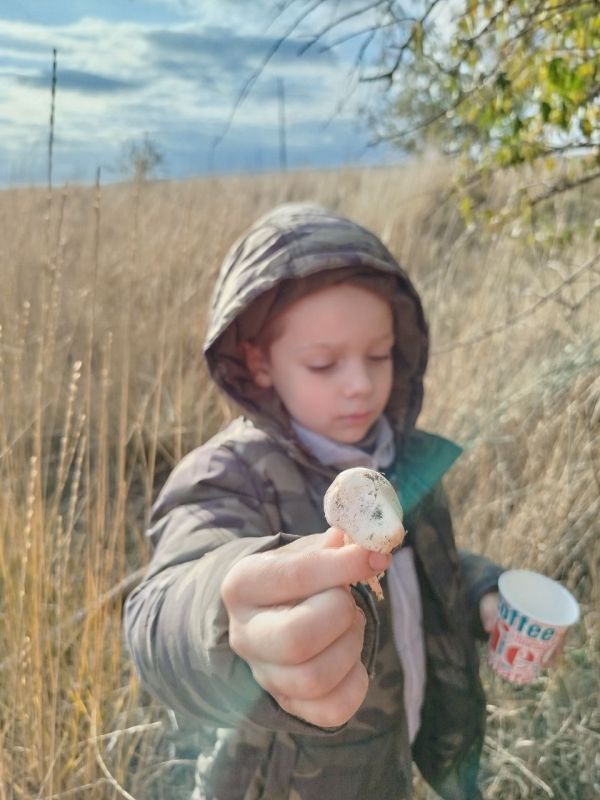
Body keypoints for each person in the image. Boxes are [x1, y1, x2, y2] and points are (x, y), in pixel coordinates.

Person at [124, 203, 503, 800]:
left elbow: (421, 568)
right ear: (258, 361)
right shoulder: (228, 477)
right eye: (324, 362)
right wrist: (226, 616)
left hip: (392, 767)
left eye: (379, 355)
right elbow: (160, 614)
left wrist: (483, 589)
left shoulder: (404, 459)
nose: (359, 382)